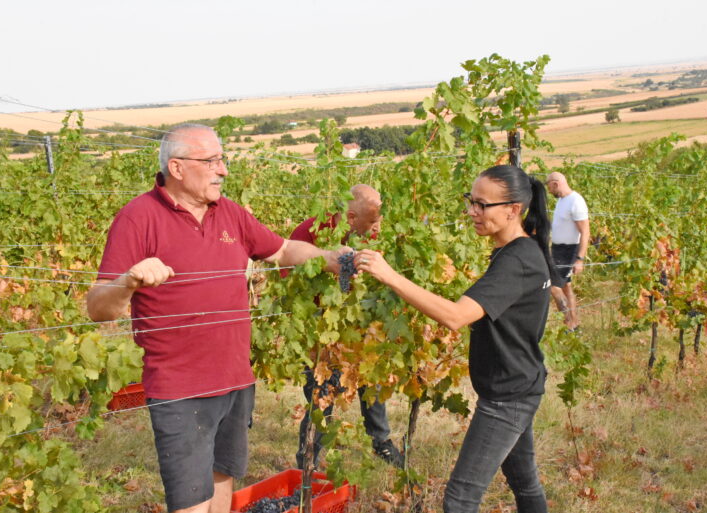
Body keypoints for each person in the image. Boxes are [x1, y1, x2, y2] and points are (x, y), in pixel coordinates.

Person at [86, 123, 347, 513]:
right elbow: (97, 308)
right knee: (191, 502)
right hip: (180, 389)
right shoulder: (137, 218)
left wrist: (333, 260)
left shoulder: (230, 213)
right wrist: (128, 282)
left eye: (222, 160)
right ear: (176, 168)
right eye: (211, 161)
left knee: (223, 480)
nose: (222, 170)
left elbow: (282, 251)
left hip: (236, 380)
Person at [355, 165, 553, 513]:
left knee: (460, 500)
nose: (472, 212)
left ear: (513, 209)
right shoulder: (522, 250)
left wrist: (390, 276)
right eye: (470, 201)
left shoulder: (517, 261)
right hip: (519, 385)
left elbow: (455, 316)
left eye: (482, 205)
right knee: (525, 484)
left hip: (508, 397)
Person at [288, 184, 403, 470]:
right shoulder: (307, 234)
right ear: (351, 218)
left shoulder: (372, 234)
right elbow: (290, 283)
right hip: (319, 323)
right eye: (372, 221)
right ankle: (309, 461)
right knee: (323, 390)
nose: (377, 227)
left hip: (360, 316)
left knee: (371, 377)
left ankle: (380, 441)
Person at [544, 171, 589, 330]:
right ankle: (574, 323)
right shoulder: (563, 200)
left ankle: (569, 323)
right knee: (566, 287)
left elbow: (585, 232)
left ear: (555, 184)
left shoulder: (575, 201)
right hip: (557, 250)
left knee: (551, 286)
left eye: (549, 187)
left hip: (568, 252)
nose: (549, 191)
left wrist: (579, 259)